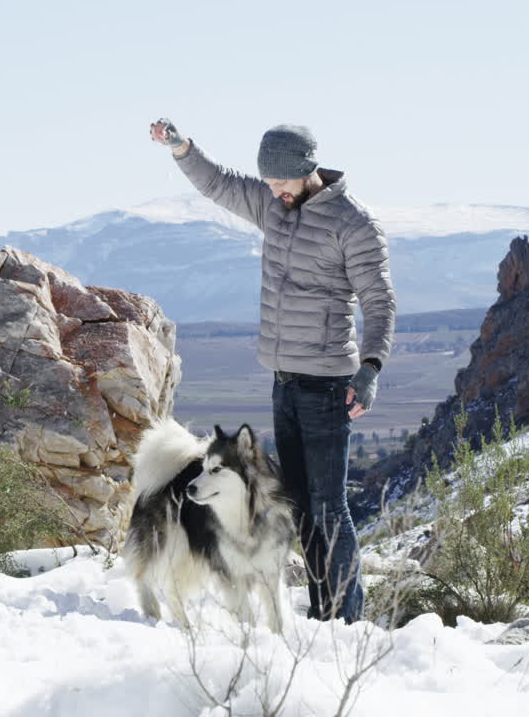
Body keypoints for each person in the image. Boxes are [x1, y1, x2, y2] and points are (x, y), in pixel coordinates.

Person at [149, 118, 395, 623]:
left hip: (328, 385)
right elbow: (218, 183)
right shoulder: (272, 205)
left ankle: (347, 618)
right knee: (298, 505)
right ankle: (324, 611)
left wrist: (370, 366)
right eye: (268, 182)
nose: (274, 191)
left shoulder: (353, 223)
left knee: (329, 506)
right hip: (283, 381)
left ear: (308, 171)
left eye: (281, 181)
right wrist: (181, 148)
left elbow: (379, 300)